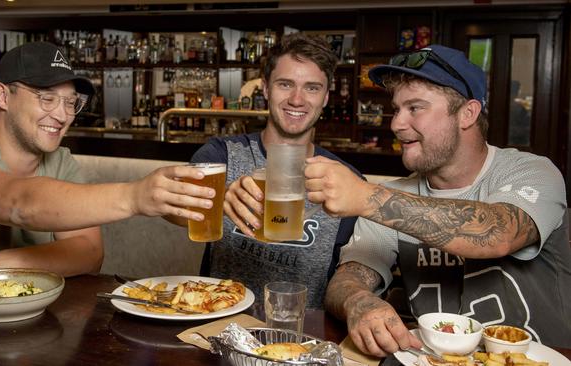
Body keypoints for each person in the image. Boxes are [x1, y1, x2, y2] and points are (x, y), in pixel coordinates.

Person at [305, 44, 570, 355]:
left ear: (468, 114)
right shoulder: (392, 195)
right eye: (397, 108)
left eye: (415, 108)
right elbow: (348, 278)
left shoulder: (532, 172)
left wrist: (366, 197)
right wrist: (358, 302)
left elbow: (498, 233)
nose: (396, 124)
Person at [0, 42, 216, 315]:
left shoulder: (60, 160)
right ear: (1, 96)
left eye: (70, 102)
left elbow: (88, 251)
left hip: (22, 334)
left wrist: (4, 264)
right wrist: (135, 196)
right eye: (47, 98)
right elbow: (20, 203)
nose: (62, 116)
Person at [179, 33, 362, 308]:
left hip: (303, 336)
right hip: (218, 324)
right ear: (265, 88)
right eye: (285, 84)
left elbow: (352, 273)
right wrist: (221, 198)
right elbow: (174, 206)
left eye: (312, 88)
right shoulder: (221, 155)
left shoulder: (345, 180)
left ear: (326, 97)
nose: (297, 100)